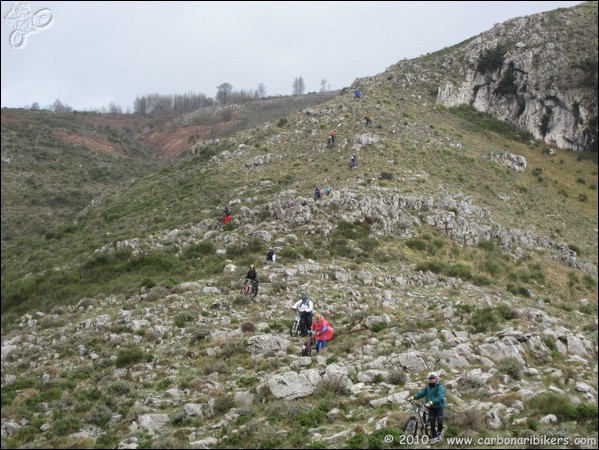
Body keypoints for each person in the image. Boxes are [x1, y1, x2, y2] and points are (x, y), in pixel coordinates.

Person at [408, 373, 446, 444]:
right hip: (431, 407)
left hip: (439, 407)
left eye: (433, 378)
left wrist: (431, 402)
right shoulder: (427, 388)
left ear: (436, 379)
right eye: (430, 379)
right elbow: (420, 393)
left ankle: (439, 432)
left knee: (440, 421)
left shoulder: (440, 387)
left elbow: (440, 397)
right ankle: (434, 437)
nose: (431, 380)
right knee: (432, 422)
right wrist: (412, 397)